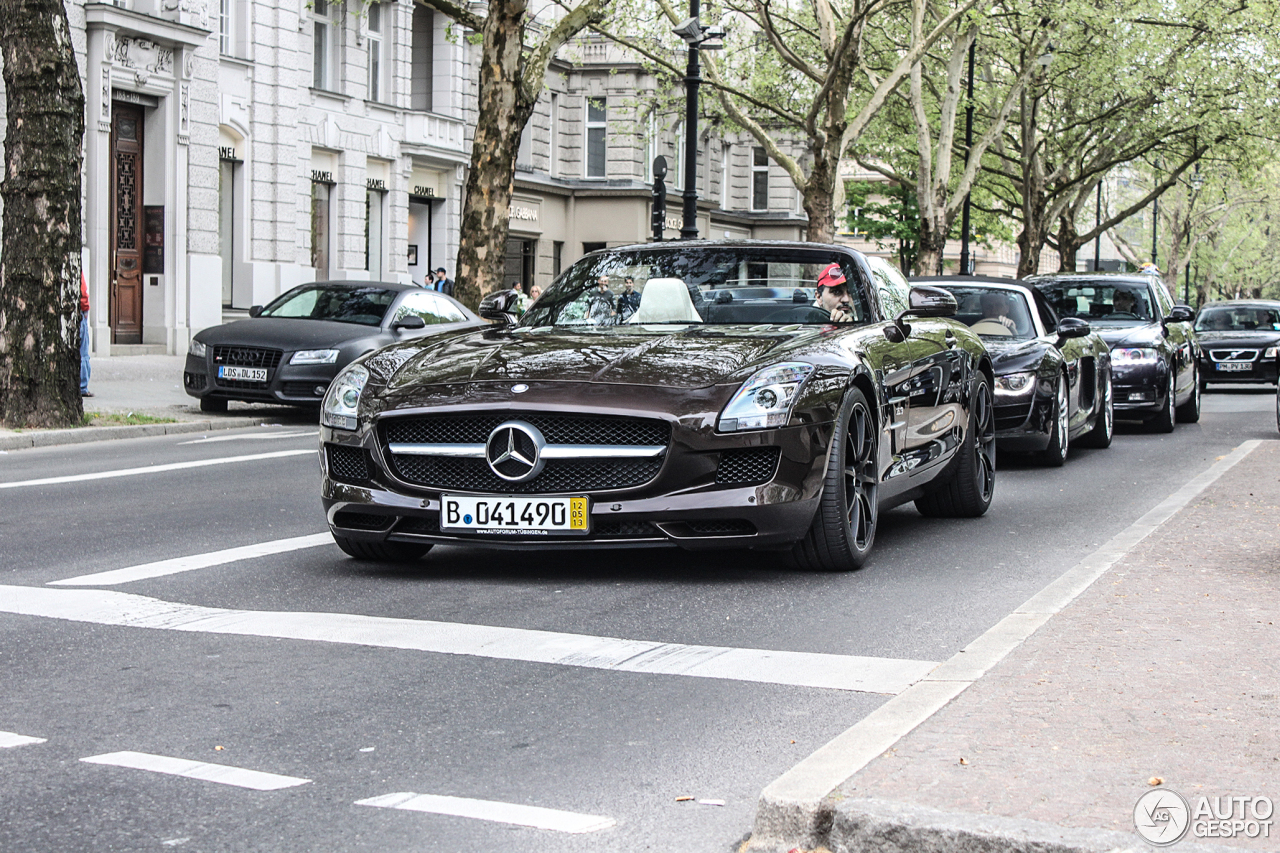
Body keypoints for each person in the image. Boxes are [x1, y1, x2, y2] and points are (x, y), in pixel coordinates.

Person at [79, 271, 92, 397]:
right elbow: (83, 293)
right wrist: (86, 308)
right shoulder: (76, 269)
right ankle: (83, 385)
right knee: (83, 350)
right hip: (79, 312)